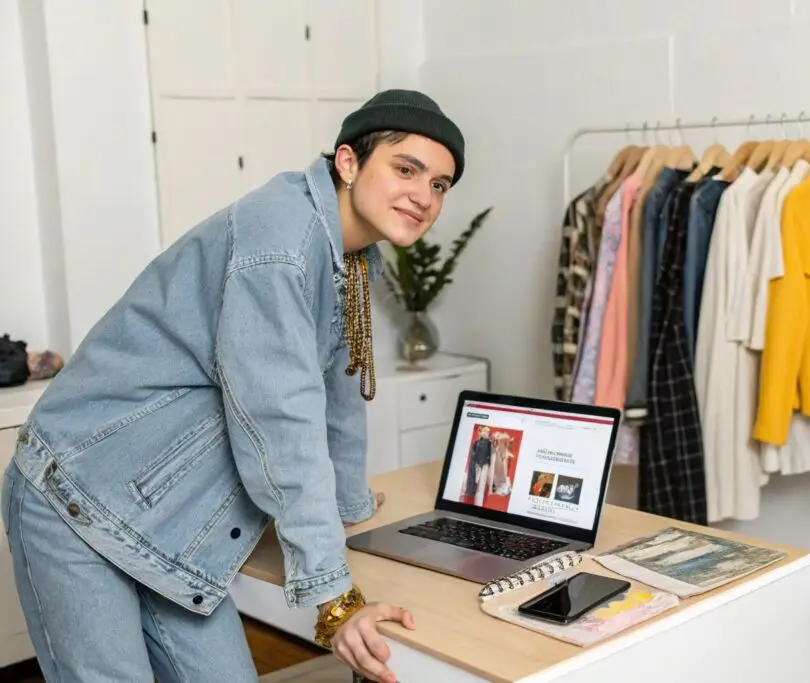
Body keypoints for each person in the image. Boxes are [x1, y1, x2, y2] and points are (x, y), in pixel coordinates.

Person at [0, 89, 464, 683]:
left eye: (440, 186)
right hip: (80, 496)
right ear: (348, 163)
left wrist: (347, 505)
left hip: (171, 520)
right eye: (407, 170)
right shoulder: (280, 242)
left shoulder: (352, 256)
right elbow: (281, 419)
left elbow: (341, 393)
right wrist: (334, 600)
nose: (423, 197)